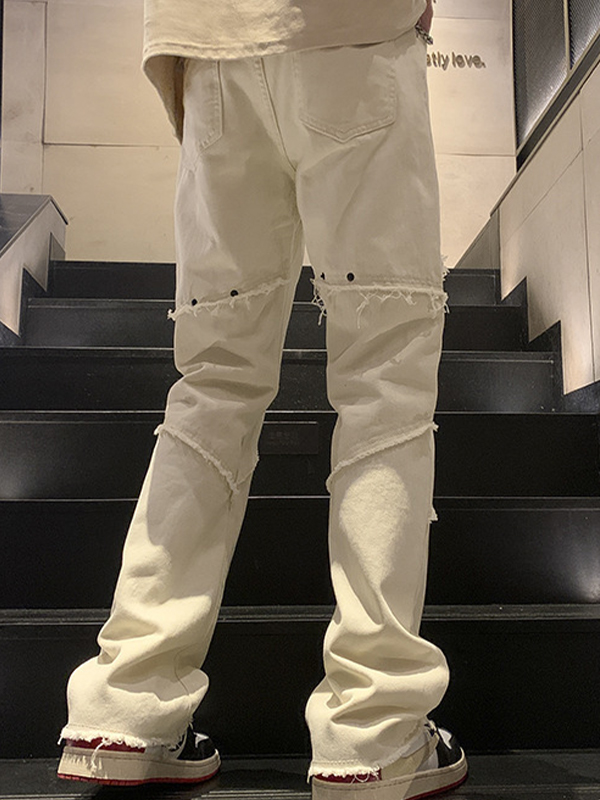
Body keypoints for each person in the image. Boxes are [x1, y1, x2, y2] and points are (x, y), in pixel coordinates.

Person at [57, 0, 469, 797]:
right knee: (384, 380)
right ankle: (373, 726)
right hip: (353, 31)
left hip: (207, 42)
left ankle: (126, 702)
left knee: (212, 383)